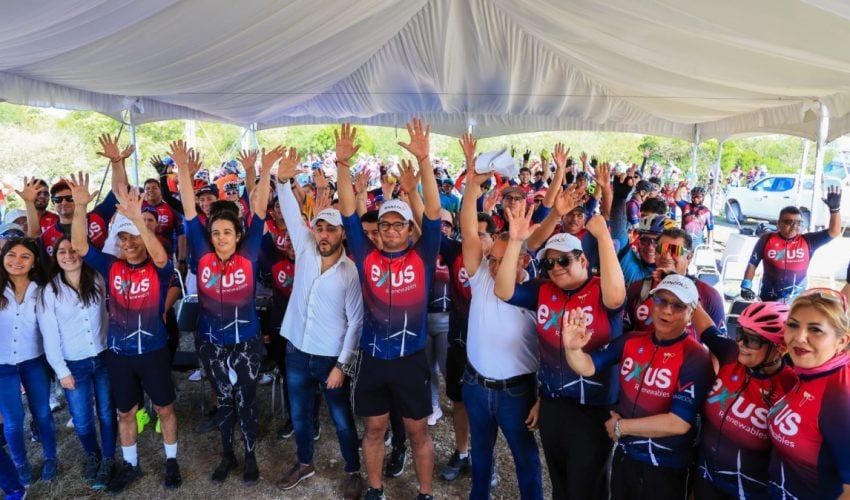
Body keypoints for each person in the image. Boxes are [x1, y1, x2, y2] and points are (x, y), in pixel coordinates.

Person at [337, 120, 441, 500]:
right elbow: (349, 215)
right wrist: (343, 166)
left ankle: (425, 493)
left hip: (411, 359)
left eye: (400, 224)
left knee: (418, 432)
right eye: (386, 225)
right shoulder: (366, 258)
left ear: (409, 230)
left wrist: (425, 160)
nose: (394, 230)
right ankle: (376, 489)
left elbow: (432, 210)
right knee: (375, 429)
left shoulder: (424, 256)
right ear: (377, 231)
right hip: (374, 359)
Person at [495, 206, 626, 500]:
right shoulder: (544, 290)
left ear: (583, 259)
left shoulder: (601, 290)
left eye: (564, 260)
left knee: (587, 486)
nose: (556, 268)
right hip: (554, 403)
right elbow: (504, 291)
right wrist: (515, 242)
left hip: (594, 408)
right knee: (560, 481)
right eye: (549, 264)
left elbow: (618, 297)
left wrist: (604, 237)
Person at [172, 140, 280, 485]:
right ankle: (226, 453)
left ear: (237, 236)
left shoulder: (248, 254)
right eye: (216, 232)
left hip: (245, 342)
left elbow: (260, 210)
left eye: (227, 232)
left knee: (246, 401)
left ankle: (249, 455)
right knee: (224, 402)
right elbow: (189, 210)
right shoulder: (202, 253)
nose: (221, 238)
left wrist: (263, 170)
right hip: (211, 343)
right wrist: (181, 171)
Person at [69, 172, 181, 493]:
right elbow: (79, 245)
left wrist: (137, 220)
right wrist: (80, 207)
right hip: (119, 354)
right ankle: (131, 465)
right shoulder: (110, 265)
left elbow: (159, 256)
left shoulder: (158, 268)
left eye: (134, 237)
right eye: (123, 238)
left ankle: (171, 460)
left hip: (153, 350)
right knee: (125, 412)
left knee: (164, 408)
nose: (128, 243)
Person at [562, 274, 714, 499]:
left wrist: (621, 428)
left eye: (678, 305)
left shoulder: (695, 356)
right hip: (626, 456)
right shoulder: (631, 340)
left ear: (691, 314)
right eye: (661, 300)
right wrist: (572, 349)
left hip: (666, 466)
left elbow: (678, 423)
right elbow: (588, 367)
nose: (667, 311)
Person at [273, 155, 364, 499]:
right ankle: (304, 462)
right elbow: (292, 214)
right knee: (299, 415)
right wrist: (282, 182)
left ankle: (353, 469)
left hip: (330, 358)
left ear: (342, 233)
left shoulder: (350, 272)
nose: (323, 234)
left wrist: (342, 365)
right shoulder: (306, 249)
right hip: (296, 349)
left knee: (342, 419)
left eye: (331, 229)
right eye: (320, 228)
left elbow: (356, 322)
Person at [460, 133, 543, 499]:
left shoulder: (538, 293)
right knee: (480, 456)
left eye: (505, 259)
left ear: (523, 260)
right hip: (476, 386)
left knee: (525, 460)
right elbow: (466, 230)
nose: (494, 266)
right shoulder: (479, 278)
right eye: (492, 258)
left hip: (516, 392)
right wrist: (471, 185)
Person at [690, 301, 797, 499]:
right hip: (704, 478)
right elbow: (707, 329)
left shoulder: (793, 387)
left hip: (749, 493)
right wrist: (680, 282)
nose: (741, 342)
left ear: (781, 348)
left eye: (752, 340)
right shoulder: (731, 354)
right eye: (740, 333)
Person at [37, 236, 116, 490]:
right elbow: (50, 337)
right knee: (81, 418)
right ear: (55, 257)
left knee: (106, 412)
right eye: (62, 251)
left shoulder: (97, 279)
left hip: (103, 357)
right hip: (74, 365)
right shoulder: (49, 291)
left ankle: (108, 459)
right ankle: (92, 453)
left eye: (73, 250)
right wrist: (61, 371)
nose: (69, 255)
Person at [768, 289, 850, 498]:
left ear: (841, 341)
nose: (799, 338)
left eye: (815, 329)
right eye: (793, 325)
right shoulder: (809, 372)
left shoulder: (840, 396)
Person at [0, 237, 56, 487]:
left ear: (34, 263)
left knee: (42, 413)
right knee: (13, 419)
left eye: (25, 256)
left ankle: (50, 457)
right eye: (11, 255)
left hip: (35, 360)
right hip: (2, 365)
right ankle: (21, 464)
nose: (17, 261)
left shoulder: (43, 289)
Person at [741, 187, 843, 303]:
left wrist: (835, 210)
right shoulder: (766, 239)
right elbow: (752, 263)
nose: (794, 225)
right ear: (779, 223)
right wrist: (746, 286)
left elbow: (834, 232)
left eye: (798, 222)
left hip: (797, 303)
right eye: (789, 222)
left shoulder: (808, 240)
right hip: (768, 300)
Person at [624, 228, 726, 336]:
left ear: (689, 257)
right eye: (661, 249)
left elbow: (721, 346)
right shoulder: (637, 288)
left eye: (674, 250)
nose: (666, 256)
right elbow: (622, 334)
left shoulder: (708, 295)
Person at [618, 214, 677, 284]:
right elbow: (619, 233)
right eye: (645, 240)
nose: (650, 247)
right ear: (638, 240)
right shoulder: (632, 262)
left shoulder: (677, 273)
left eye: (657, 242)